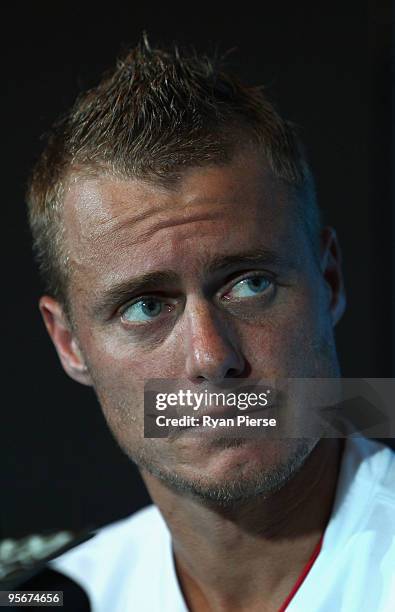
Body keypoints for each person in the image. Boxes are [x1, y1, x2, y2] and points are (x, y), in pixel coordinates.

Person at [24, 37, 395, 611]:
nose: (210, 356)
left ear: (329, 282)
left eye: (250, 283)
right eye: (146, 306)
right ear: (70, 343)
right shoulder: (51, 594)